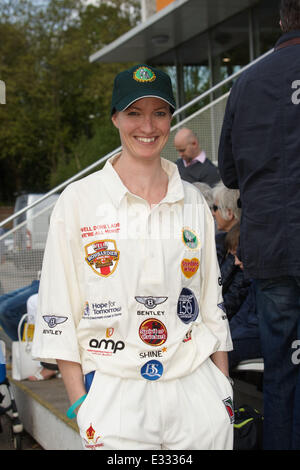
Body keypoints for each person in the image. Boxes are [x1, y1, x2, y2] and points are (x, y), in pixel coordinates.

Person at [32, 64, 233, 451]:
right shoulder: (78, 201)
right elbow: (58, 306)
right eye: (134, 113)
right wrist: (80, 401)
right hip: (115, 397)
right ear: (115, 118)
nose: (148, 126)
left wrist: (221, 391)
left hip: (196, 393)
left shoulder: (192, 200)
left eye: (159, 112)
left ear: (171, 119)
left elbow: (212, 305)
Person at [218, 0, 300, 450]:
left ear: (283, 20)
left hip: (268, 246)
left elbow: (229, 172)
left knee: (282, 369)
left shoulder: (247, 82)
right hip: (270, 247)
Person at [224, 225, 261, 373]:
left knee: (219, 355)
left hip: (257, 337)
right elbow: (241, 317)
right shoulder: (254, 281)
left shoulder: (261, 282)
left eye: (239, 255)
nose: (236, 262)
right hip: (244, 334)